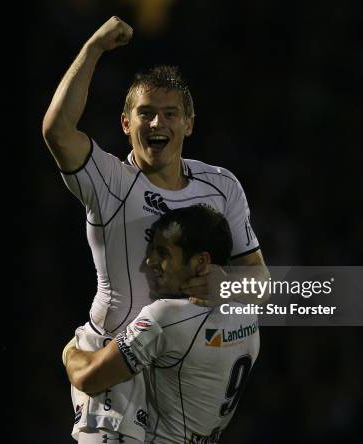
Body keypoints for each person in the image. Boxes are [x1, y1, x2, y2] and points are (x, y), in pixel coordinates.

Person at [42, 16, 269, 443]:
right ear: (127, 124)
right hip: (114, 364)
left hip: (179, 363)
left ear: (189, 123)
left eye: (169, 113)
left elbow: (260, 283)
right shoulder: (110, 180)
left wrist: (227, 285)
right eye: (145, 113)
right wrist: (92, 50)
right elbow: (57, 131)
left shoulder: (222, 186)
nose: (156, 123)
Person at [64, 205, 260, 444]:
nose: (149, 261)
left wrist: (71, 349)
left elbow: (88, 377)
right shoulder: (250, 314)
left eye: (163, 252)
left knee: (95, 341)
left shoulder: (167, 317)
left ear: (201, 261)